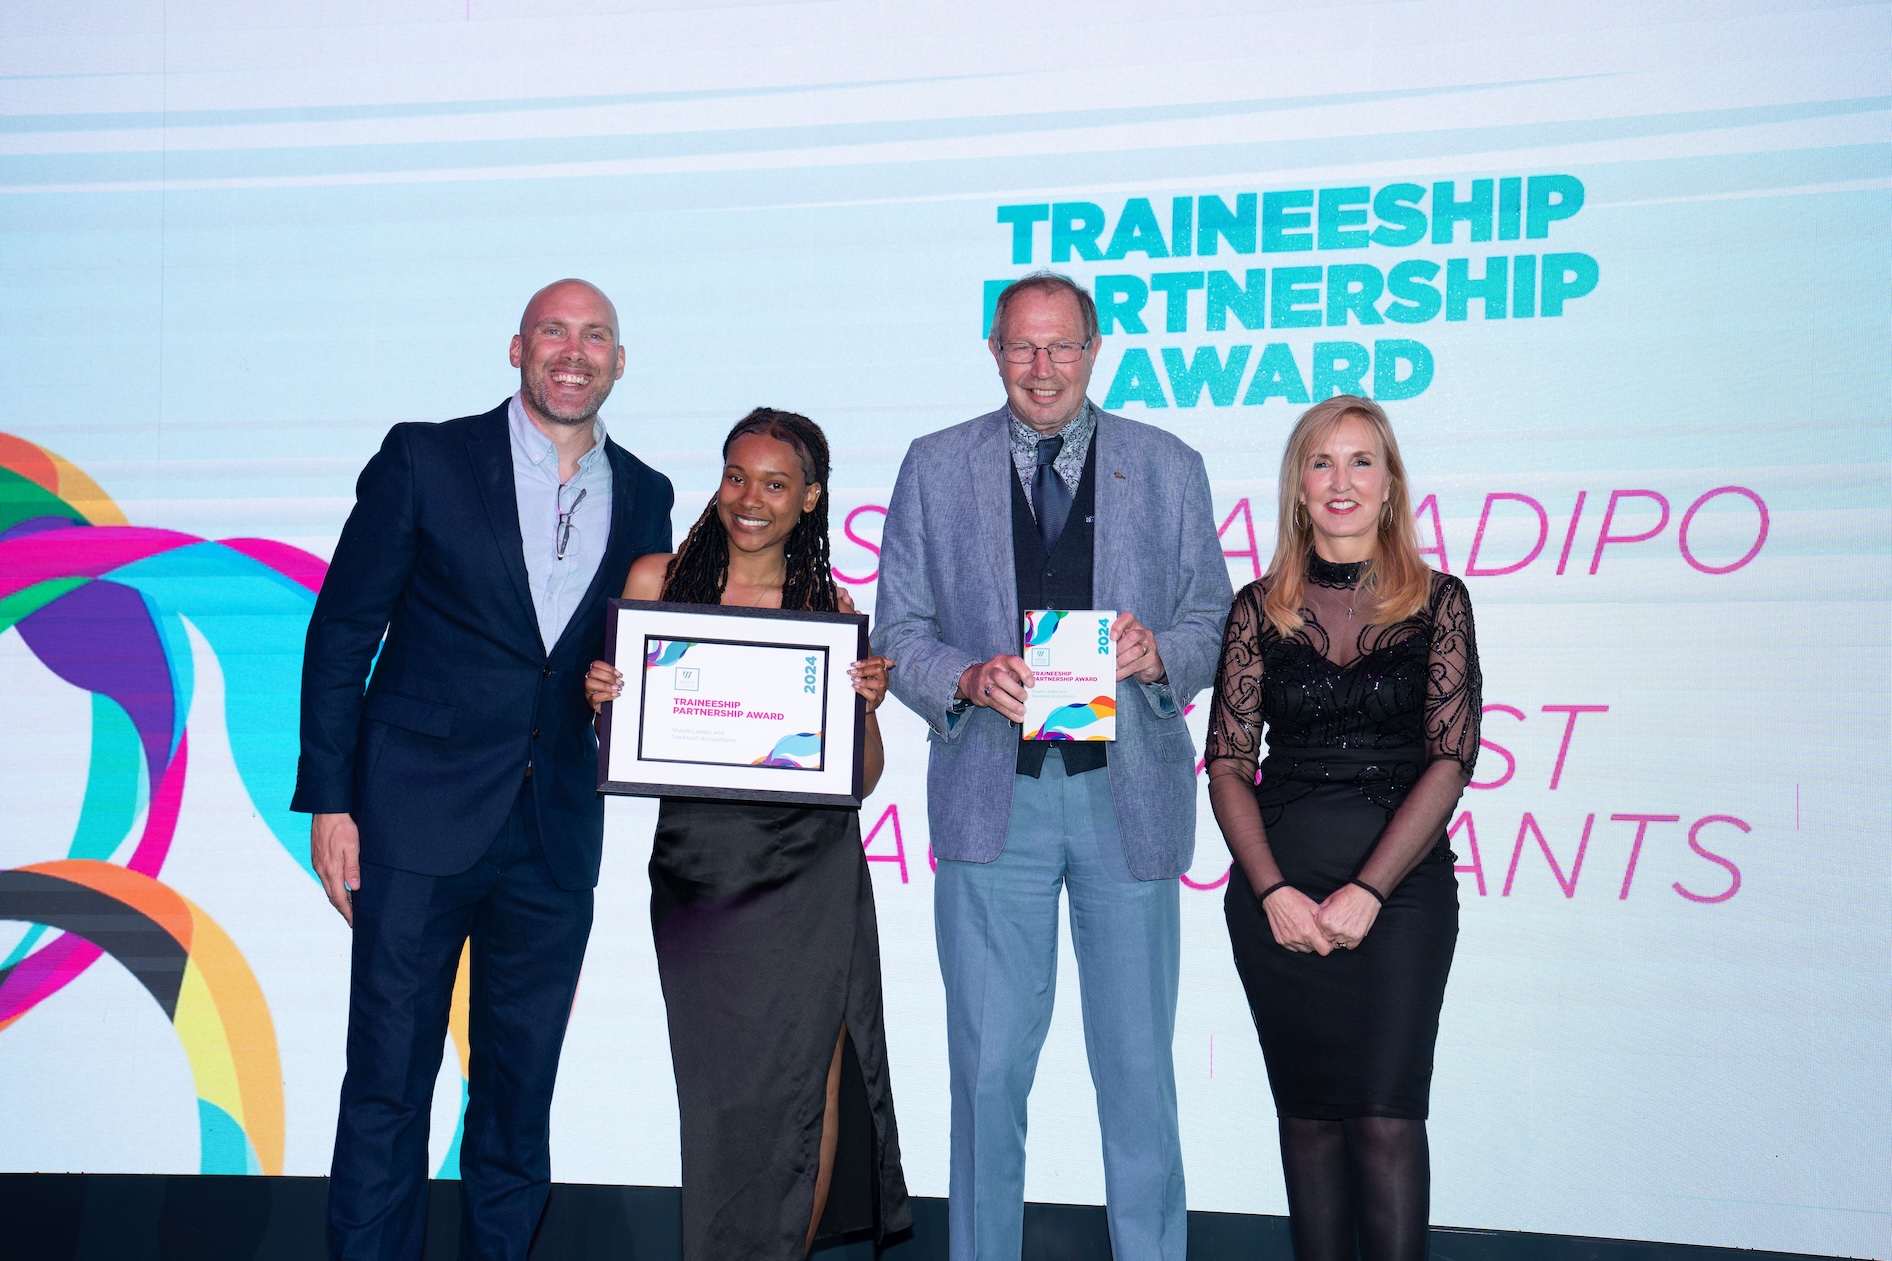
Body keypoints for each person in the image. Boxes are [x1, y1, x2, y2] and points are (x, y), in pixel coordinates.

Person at [293, 280, 675, 1261]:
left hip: (551, 835)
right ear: (516, 348)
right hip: (412, 819)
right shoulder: (425, 456)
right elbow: (343, 631)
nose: (573, 350)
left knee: (518, 1091)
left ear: (619, 363)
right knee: (387, 1080)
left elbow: (635, 658)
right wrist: (331, 800)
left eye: (596, 336)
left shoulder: (647, 493)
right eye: (554, 330)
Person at [872, 271, 1233, 1260]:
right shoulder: (935, 465)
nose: (1041, 368)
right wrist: (963, 674)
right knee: (985, 1077)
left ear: (1093, 349)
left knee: (1134, 1074)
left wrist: (1158, 652)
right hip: (997, 803)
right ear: (993, 350)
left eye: (1060, 347)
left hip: (1127, 805)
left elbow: (1214, 619)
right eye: (1021, 347)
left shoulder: (1166, 465)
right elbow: (896, 630)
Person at [584, 408, 911, 1260]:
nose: (750, 499)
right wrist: (602, 701)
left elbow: (863, 776)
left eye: (774, 483)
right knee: (722, 1097)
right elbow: (616, 745)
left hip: (809, 873)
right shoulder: (657, 581)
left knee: (806, 1087)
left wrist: (864, 707)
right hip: (699, 875)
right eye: (737, 476)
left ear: (809, 499)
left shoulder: (828, 606)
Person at [1203, 395, 1482, 1261]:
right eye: (1322, 463)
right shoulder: (1257, 608)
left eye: (1362, 461)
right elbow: (1225, 764)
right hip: (1274, 899)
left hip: (1398, 901)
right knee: (1309, 1122)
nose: (1341, 481)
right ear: (1297, 487)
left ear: (1391, 485)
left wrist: (1367, 890)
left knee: (1386, 1120)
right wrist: (1273, 891)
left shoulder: (1440, 602)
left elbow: (1450, 759)